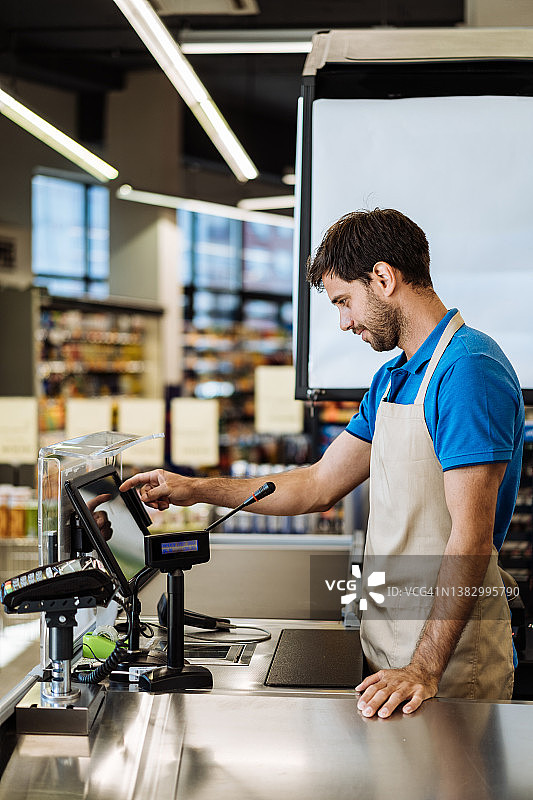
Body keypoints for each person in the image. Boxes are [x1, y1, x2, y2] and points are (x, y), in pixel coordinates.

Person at [120, 208, 524, 718]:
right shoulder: (394, 378)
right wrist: (195, 488)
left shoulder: (468, 371)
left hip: (449, 665)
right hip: (392, 653)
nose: (345, 321)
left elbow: (470, 537)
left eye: (344, 301)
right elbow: (316, 484)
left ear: (383, 277)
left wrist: (423, 668)